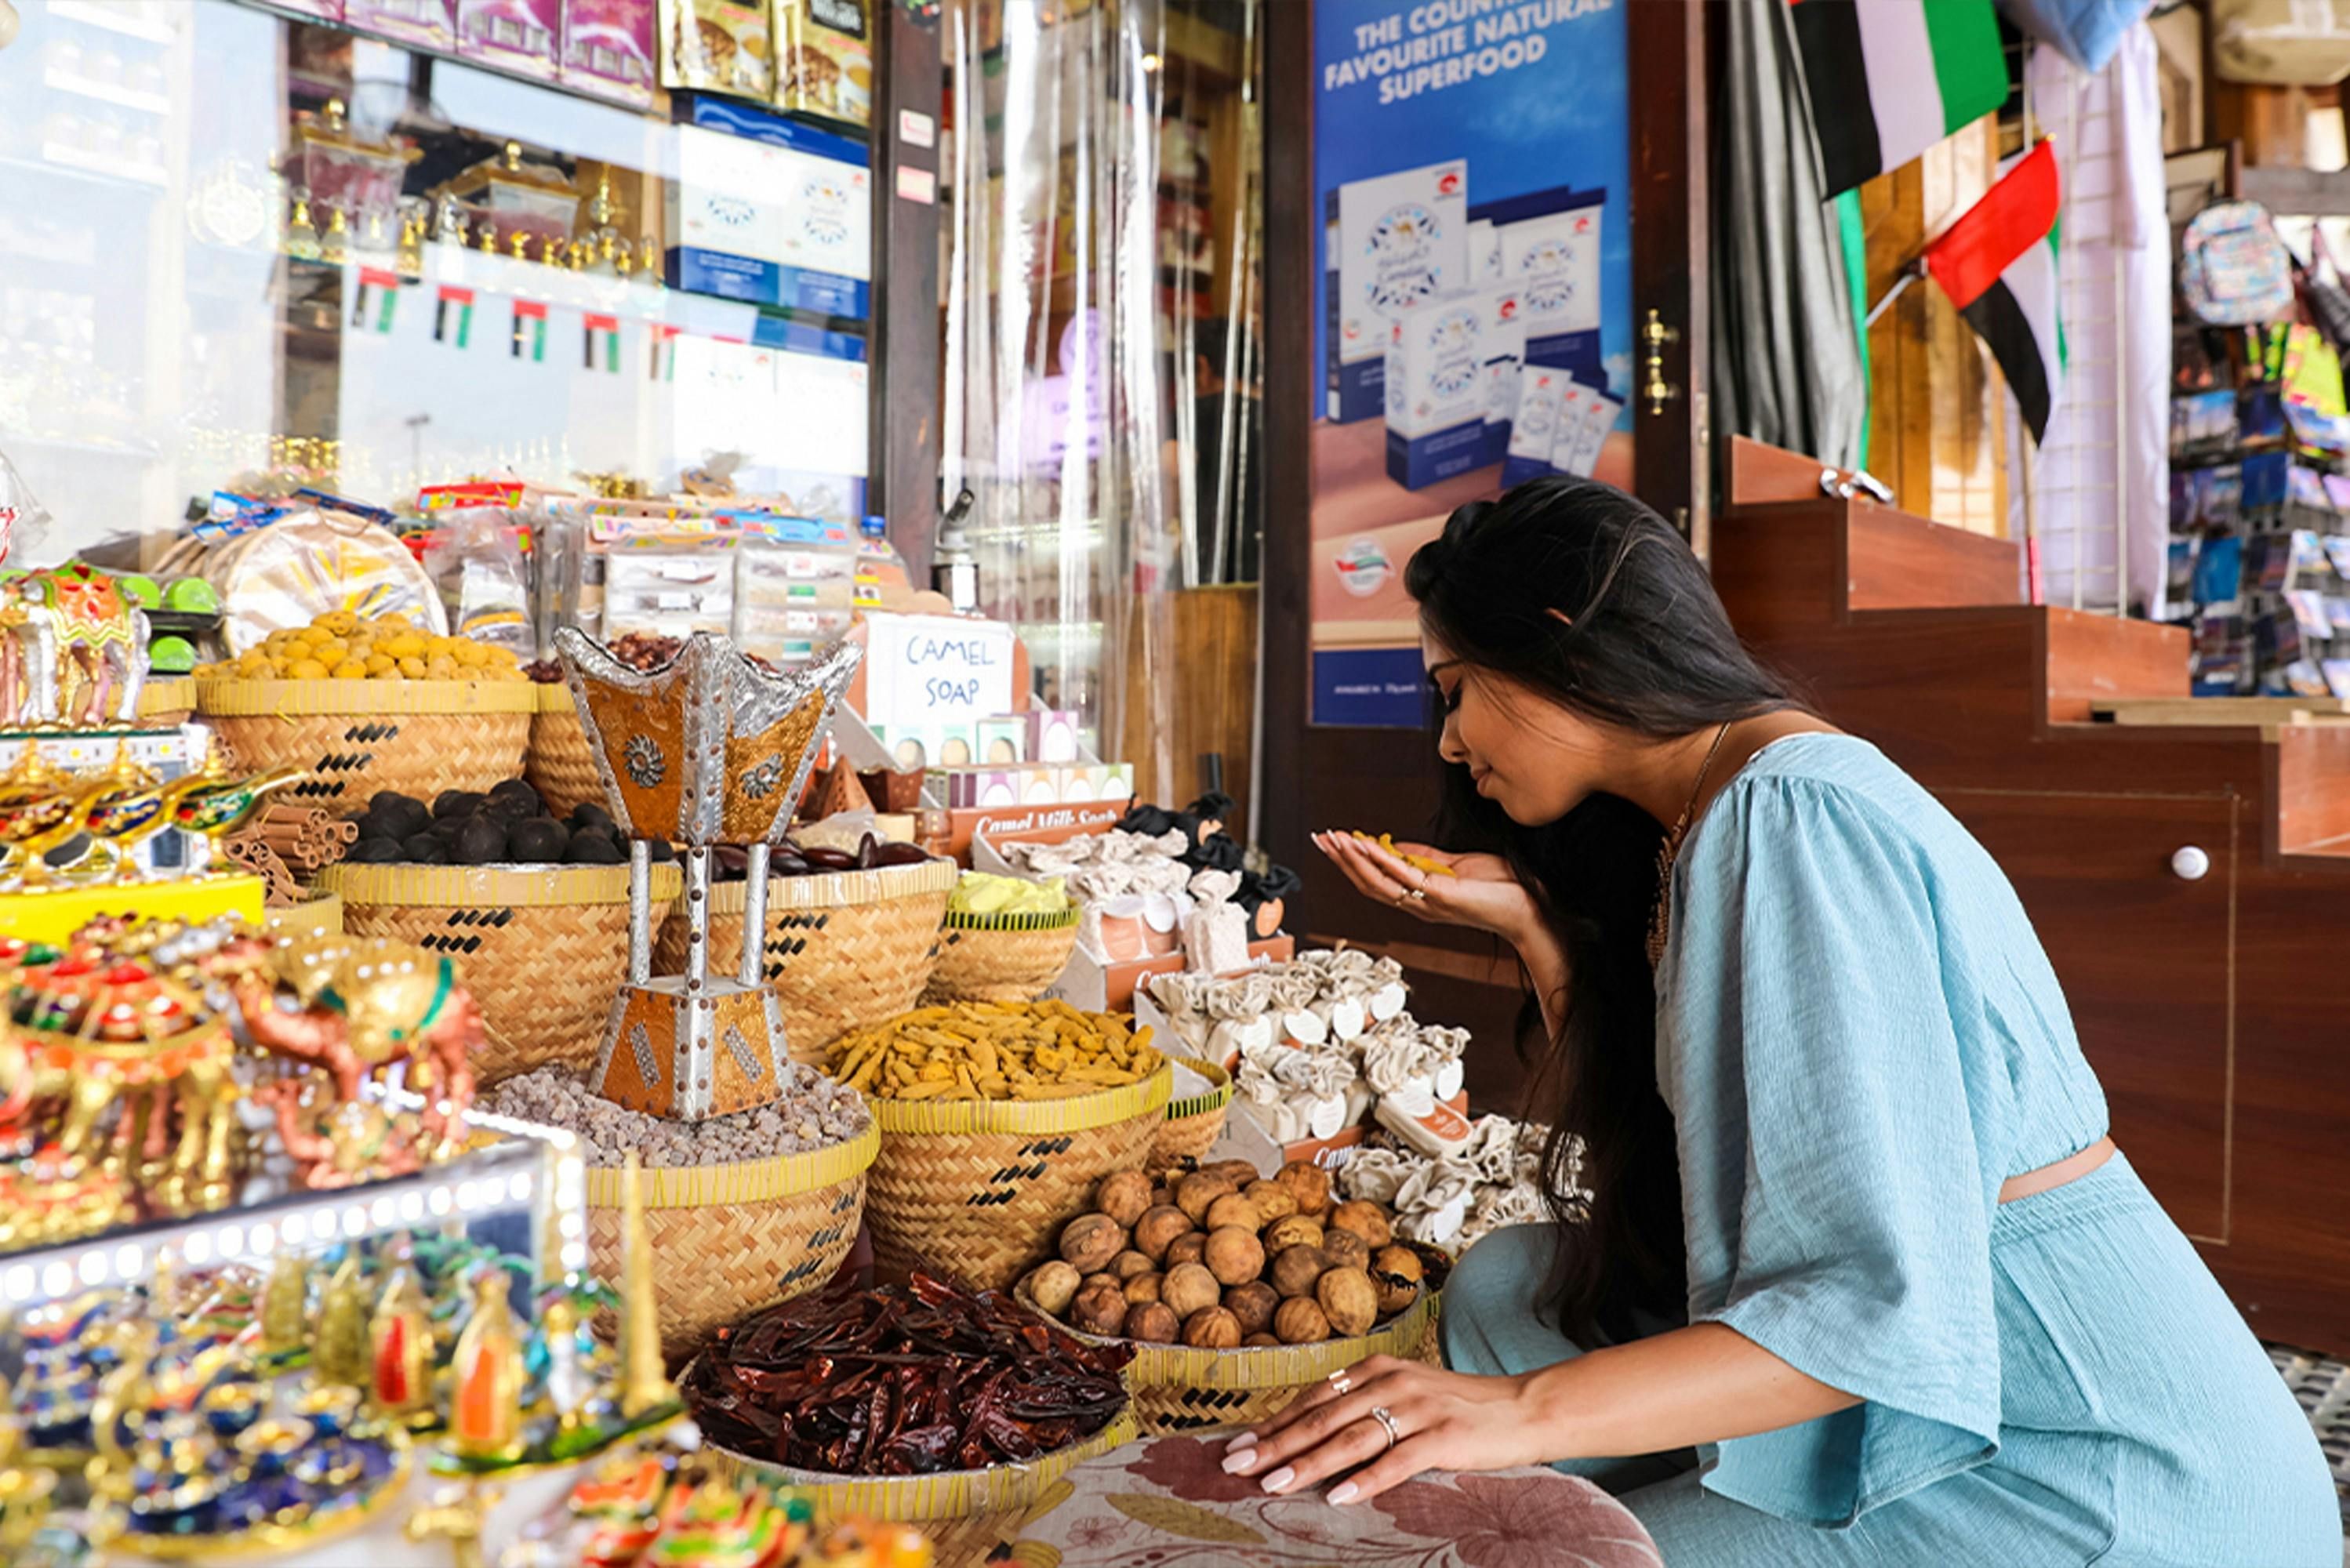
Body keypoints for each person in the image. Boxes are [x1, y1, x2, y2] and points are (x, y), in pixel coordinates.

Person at [1218, 477, 2342, 1564]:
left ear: (1557, 635)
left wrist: (1518, 1412)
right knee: (1512, 1284)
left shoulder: (1793, 815)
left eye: (1455, 688)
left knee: (1505, 1537)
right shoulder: (1721, 813)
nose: (1451, 742)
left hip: (2092, 1476)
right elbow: (1678, 1135)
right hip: (1956, 1385)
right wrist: (1538, 934)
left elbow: (1872, 1312)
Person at [1160, 316, 1262, 583]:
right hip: (1275, 568)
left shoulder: (1191, 415)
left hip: (1210, 571)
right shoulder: (1282, 415)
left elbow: (1169, 480)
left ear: (1202, 367)